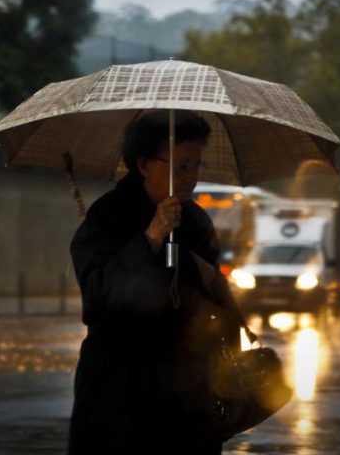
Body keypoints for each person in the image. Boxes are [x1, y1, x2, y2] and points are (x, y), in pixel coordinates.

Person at [67, 110, 249, 454]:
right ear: (143, 164)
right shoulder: (107, 218)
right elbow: (101, 296)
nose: (190, 177)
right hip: (120, 396)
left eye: (196, 166)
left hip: (188, 399)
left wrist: (211, 281)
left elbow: (214, 311)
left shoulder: (195, 221)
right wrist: (151, 237)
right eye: (180, 166)